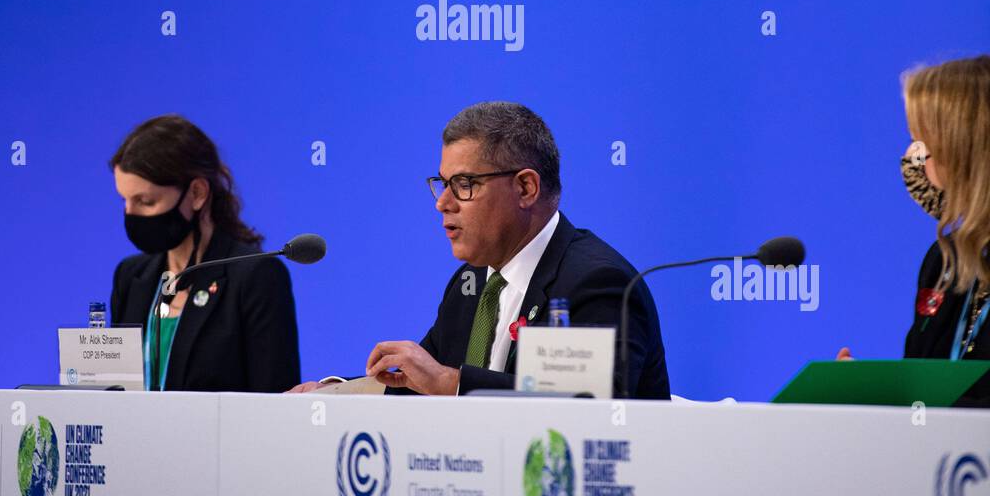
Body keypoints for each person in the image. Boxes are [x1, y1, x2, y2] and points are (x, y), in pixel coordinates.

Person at [357, 101, 670, 397]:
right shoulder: (470, 282)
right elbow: (416, 383)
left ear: (525, 188)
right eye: (442, 183)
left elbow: (586, 408)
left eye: (464, 184)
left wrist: (450, 383)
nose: (442, 203)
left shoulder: (598, 282)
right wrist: (333, 394)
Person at [110, 114, 300, 391]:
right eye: (124, 201)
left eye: (145, 201)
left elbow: (276, 403)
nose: (130, 214)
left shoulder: (257, 278)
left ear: (197, 193)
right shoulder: (130, 277)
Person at [838, 56, 990, 398]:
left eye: (923, 142)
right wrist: (874, 393)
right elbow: (926, 395)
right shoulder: (943, 262)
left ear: (964, 148)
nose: (913, 158)